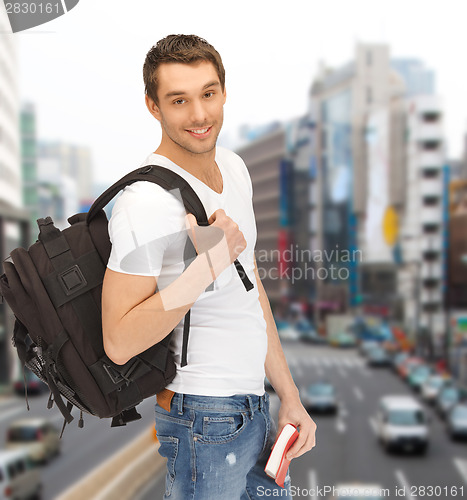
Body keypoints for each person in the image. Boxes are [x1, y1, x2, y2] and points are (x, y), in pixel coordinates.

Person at [101, 34, 316, 499]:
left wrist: (289, 395)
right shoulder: (146, 202)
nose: (199, 115)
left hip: (255, 410)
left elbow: (250, 291)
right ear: (153, 107)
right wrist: (208, 264)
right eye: (179, 100)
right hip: (201, 416)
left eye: (208, 93)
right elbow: (118, 340)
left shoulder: (235, 169)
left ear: (223, 91)